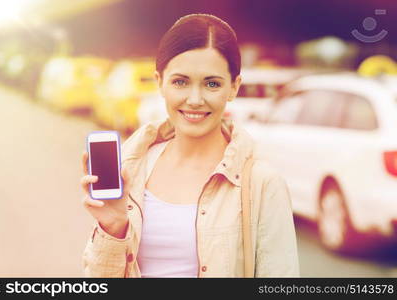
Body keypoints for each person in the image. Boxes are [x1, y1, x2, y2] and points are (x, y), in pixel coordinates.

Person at [81, 13, 299, 278]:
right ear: (160, 83)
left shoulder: (262, 184)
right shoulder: (131, 167)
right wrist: (113, 228)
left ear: (234, 87)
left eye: (212, 84)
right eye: (180, 82)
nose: (195, 99)